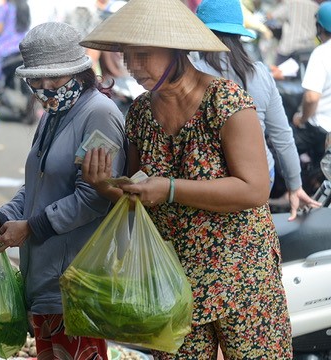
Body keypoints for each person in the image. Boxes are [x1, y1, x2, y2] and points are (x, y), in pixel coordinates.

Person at [80, 0, 292, 358]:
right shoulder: (141, 114)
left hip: (241, 272)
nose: (133, 66)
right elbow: (139, 195)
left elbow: (255, 188)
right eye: (127, 56)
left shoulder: (225, 100)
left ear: (176, 50)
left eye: (143, 54)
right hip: (172, 278)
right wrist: (106, 186)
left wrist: (171, 189)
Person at [0, 22, 128, 358]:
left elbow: (94, 197)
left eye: (54, 80)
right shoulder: (52, 115)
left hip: (75, 279)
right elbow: (36, 183)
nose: (45, 88)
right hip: (44, 274)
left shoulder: (99, 115)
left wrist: (31, 226)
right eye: (36, 81)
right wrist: (4, 215)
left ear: (80, 73)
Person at [193, 0, 321, 220]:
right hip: (260, 177)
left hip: (206, 183)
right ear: (238, 34)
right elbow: (282, 136)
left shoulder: (191, 72)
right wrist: (294, 185)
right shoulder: (260, 73)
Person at [293, 1, 331, 186]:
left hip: (321, 129)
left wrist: (301, 118)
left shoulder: (322, 53)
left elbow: (311, 97)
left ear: (320, 27)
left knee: (280, 145)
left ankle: (289, 191)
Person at [266, 0, 320, 66]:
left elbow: (271, 16)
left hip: (290, 47)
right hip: (310, 46)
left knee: (277, 72)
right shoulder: (315, 6)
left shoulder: (289, 3)